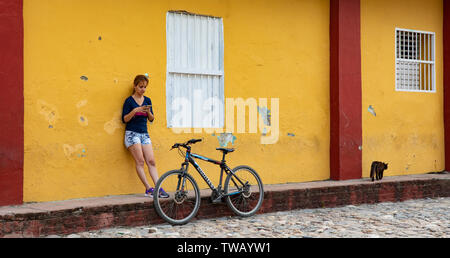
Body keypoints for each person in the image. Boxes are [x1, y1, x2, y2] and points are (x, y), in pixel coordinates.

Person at [121, 75, 169, 198]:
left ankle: (158, 187)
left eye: (145, 87)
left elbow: (152, 119)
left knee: (151, 161)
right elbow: (124, 119)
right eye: (141, 87)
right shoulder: (129, 101)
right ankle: (148, 188)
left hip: (144, 134)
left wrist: (147, 111)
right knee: (140, 161)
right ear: (135, 86)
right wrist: (135, 110)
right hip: (132, 133)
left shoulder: (147, 100)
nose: (143, 89)